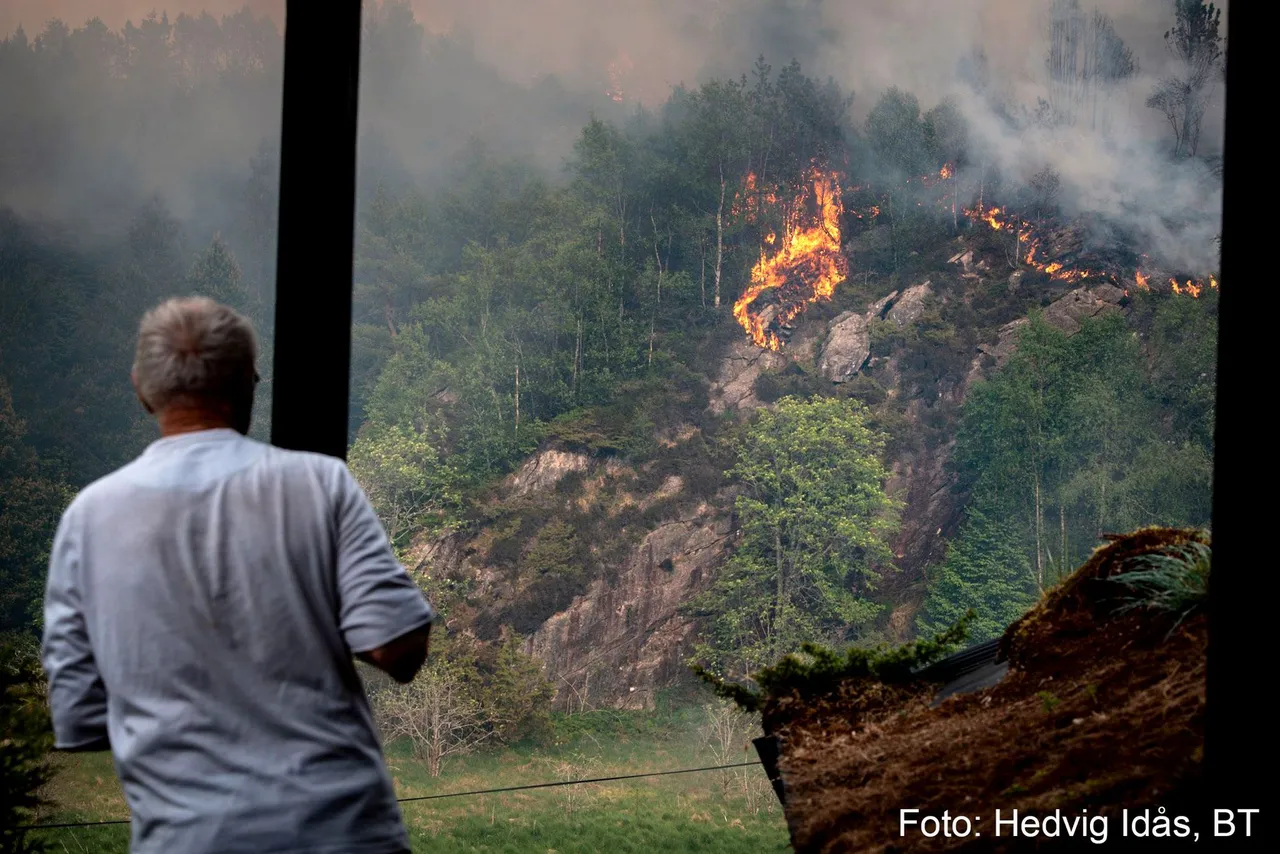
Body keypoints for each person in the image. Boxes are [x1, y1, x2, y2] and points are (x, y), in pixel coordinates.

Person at [41, 296, 434, 854]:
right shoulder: (320, 485)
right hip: (340, 831)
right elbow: (399, 650)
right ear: (250, 382)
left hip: (186, 839)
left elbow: (79, 716)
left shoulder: (88, 518)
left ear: (140, 388)